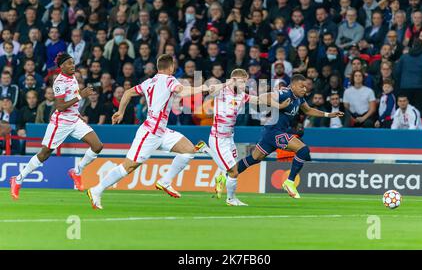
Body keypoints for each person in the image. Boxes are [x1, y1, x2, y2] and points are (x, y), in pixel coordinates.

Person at [86, 55, 223, 209]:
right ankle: (96, 190)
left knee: (189, 151)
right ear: (170, 67)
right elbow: (183, 92)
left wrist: (121, 111)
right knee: (128, 167)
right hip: (149, 132)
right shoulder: (170, 80)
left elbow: (128, 93)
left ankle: (165, 182)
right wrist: (204, 87)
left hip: (162, 131)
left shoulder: (149, 82)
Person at [10, 53, 104, 200]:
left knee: (97, 146)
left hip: (74, 120)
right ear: (61, 67)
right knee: (44, 153)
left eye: (73, 63)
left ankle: (77, 171)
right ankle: (18, 179)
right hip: (60, 123)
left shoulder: (72, 77)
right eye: (69, 64)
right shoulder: (59, 82)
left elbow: (71, 97)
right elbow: (60, 106)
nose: (72, 66)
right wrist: (81, 96)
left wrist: (77, 110)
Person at [235, 74, 344, 199]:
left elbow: (308, 110)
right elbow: (264, 97)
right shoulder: (285, 93)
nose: (305, 89)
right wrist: (280, 106)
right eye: (301, 86)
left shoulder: (299, 98)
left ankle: (227, 174)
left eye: (306, 87)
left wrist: (328, 115)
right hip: (274, 132)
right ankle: (289, 182)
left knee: (254, 158)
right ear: (292, 86)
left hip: (271, 132)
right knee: (303, 150)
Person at [208, 68, 290, 206]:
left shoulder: (242, 95)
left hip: (229, 138)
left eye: (245, 82)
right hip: (218, 138)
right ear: (233, 80)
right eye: (241, 82)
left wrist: (279, 105)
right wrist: (228, 83)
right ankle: (230, 199)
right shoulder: (221, 92)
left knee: (232, 169)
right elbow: (211, 89)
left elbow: (258, 100)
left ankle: (227, 190)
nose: (244, 85)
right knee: (233, 171)